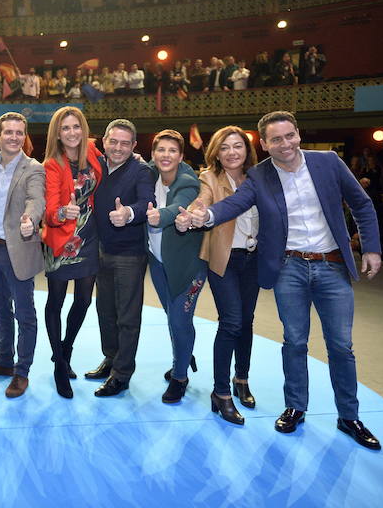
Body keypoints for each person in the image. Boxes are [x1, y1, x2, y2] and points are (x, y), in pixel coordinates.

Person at [188, 111, 383, 450]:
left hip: (332, 265)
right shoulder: (260, 175)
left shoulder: (328, 162)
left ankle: (349, 416)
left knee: (340, 346)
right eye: (276, 139)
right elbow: (235, 204)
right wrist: (206, 215)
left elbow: (362, 205)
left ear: (298, 134)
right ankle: (295, 407)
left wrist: (372, 249)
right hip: (289, 267)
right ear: (264, 144)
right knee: (294, 341)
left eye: (289, 136)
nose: (285, 144)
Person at [176, 126, 259, 425]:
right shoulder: (209, 178)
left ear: (247, 150)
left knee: (246, 321)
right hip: (225, 260)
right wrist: (193, 214)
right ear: (216, 152)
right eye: (225, 147)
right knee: (232, 321)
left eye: (238, 146)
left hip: (254, 259)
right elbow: (202, 201)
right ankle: (221, 393)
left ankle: (242, 379)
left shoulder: (259, 178)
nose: (232, 152)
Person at [0, 112, 46, 399]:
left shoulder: (33, 168)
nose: (14, 137)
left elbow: (36, 198)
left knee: (25, 314)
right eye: (9, 132)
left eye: (19, 132)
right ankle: (4, 361)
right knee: (0, 309)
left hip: (19, 248)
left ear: (24, 135)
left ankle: (22, 371)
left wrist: (31, 218)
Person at [87, 119, 155, 398]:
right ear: (103, 141)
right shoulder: (96, 166)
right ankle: (111, 358)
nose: (118, 148)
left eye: (125, 143)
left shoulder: (141, 170)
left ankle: (122, 374)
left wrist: (128, 213)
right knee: (105, 311)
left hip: (129, 253)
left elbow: (146, 202)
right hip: (100, 250)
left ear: (134, 146)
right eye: (113, 141)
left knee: (127, 316)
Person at [40, 106, 102, 398]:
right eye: (65, 128)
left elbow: (112, 166)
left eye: (76, 126)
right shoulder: (52, 164)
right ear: (58, 133)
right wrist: (63, 211)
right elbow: (50, 210)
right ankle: (59, 365)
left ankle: (65, 351)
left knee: (83, 302)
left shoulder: (92, 151)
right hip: (62, 238)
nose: (72, 132)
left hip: (89, 236)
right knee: (56, 301)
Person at [146, 129, 207, 404]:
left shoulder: (187, 181)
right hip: (158, 263)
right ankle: (181, 358)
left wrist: (160, 215)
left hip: (188, 266)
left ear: (181, 156)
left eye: (172, 150)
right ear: (153, 154)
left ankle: (180, 377)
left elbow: (179, 207)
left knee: (180, 320)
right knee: (173, 318)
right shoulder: (149, 173)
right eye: (161, 150)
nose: (166, 155)